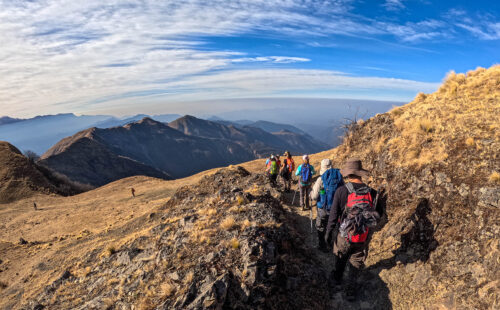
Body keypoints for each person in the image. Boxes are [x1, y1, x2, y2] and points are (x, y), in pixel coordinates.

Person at [324, 158, 382, 301]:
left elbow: (333, 216)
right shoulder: (373, 193)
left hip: (344, 235)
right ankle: (350, 291)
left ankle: (336, 281)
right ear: (360, 174)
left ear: (348, 175)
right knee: (356, 261)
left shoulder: (341, 191)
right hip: (363, 235)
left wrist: (328, 233)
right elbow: (379, 215)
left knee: (340, 257)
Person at [310, 159, 343, 252]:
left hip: (323, 209)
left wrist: (311, 194)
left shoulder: (321, 179)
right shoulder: (339, 177)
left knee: (320, 226)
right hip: (336, 209)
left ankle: (322, 246)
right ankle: (331, 243)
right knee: (331, 226)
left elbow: (315, 196)